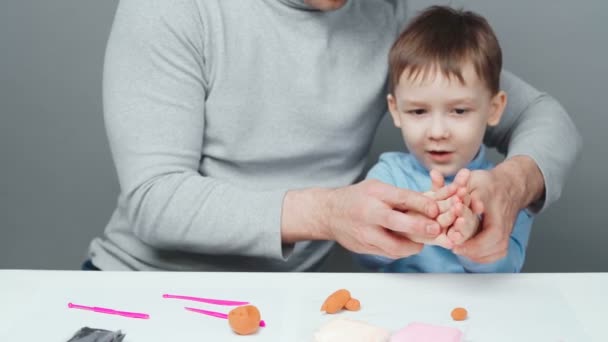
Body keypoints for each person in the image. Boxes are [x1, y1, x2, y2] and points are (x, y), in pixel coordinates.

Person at [84, 0, 581, 271]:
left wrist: (514, 183)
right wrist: (327, 214)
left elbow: (544, 115)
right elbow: (156, 200)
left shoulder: (395, 19)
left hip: (294, 306)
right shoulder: (172, 9)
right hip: (142, 288)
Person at [355, 5, 533, 273]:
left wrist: (470, 236)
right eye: (418, 111)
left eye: (459, 111)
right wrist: (405, 230)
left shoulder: (503, 190)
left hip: (474, 313)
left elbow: (507, 271)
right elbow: (364, 257)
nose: (437, 132)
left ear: (494, 109)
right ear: (396, 110)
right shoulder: (387, 178)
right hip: (397, 312)